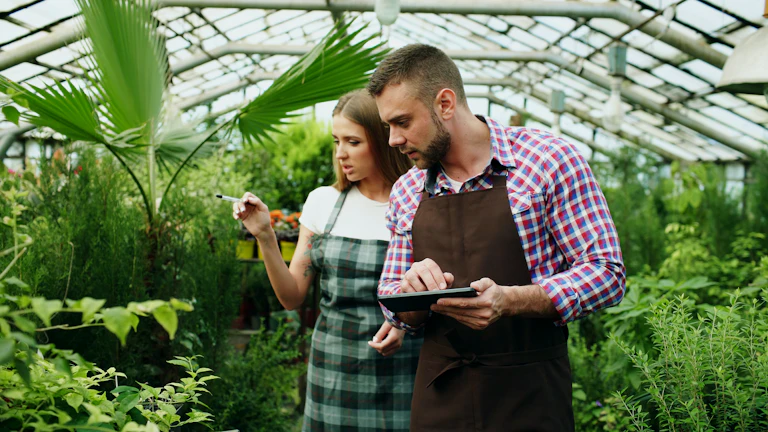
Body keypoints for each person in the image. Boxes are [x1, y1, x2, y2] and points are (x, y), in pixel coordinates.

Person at [369, 44, 626, 432]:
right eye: (388, 125)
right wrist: (410, 290)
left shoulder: (549, 161)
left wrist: (512, 300)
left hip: (530, 397)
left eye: (402, 122)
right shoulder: (407, 191)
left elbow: (606, 274)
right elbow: (392, 301)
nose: (392, 139)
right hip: (441, 398)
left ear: (445, 103)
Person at [233, 89, 422, 432]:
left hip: (406, 366)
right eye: (336, 141)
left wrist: (406, 323)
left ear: (382, 140)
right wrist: (265, 235)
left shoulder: (421, 201)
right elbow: (291, 297)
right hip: (334, 369)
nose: (340, 154)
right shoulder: (323, 202)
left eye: (352, 141)